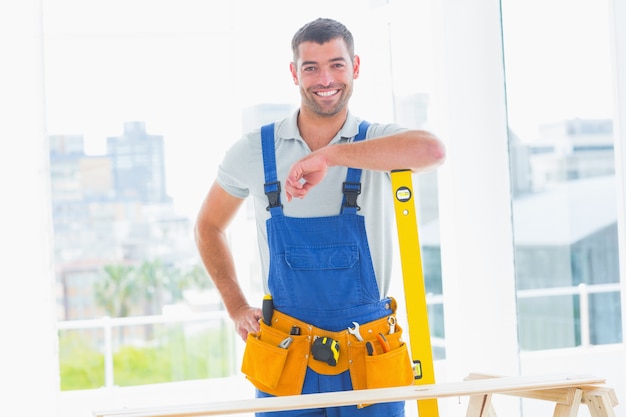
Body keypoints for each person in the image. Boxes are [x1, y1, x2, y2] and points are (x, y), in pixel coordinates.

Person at [194, 17, 445, 417]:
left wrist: (329, 156)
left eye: (337, 64)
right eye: (311, 67)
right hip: (286, 355)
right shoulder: (254, 150)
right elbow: (208, 226)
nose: (325, 78)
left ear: (356, 67)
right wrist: (236, 306)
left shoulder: (378, 140)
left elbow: (432, 152)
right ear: (294, 73)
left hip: (368, 353)